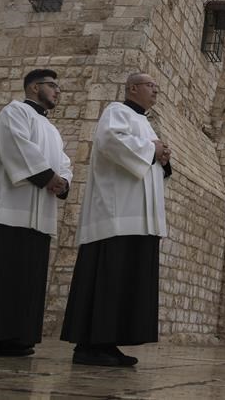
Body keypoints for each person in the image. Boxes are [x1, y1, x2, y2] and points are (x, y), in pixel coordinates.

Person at [0, 69, 72, 357]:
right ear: (34, 87)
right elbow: (17, 147)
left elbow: (65, 162)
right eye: (52, 86)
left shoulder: (53, 131)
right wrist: (49, 178)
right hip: (2, 210)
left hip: (37, 216)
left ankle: (12, 336)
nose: (57, 92)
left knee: (23, 279)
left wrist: (64, 181)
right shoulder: (14, 112)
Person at [60, 73, 172, 367]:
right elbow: (111, 141)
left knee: (125, 280)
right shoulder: (116, 111)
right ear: (133, 88)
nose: (155, 91)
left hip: (138, 216)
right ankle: (90, 345)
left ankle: (107, 343)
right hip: (116, 213)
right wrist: (153, 150)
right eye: (151, 86)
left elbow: (148, 160)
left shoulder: (145, 122)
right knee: (108, 277)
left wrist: (162, 157)